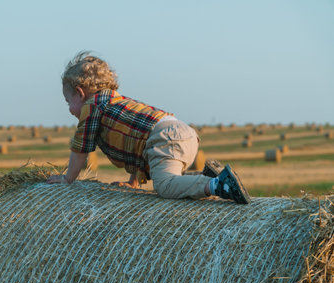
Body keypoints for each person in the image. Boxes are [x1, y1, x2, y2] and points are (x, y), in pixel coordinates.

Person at [47, 51, 250, 204]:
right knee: (170, 179)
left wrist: (68, 178)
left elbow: (81, 148)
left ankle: (219, 185)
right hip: (179, 133)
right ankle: (208, 177)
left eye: (67, 102)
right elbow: (135, 143)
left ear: (79, 92)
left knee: (165, 186)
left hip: (165, 137)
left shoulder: (92, 106)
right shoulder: (114, 102)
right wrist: (133, 181)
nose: (69, 109)